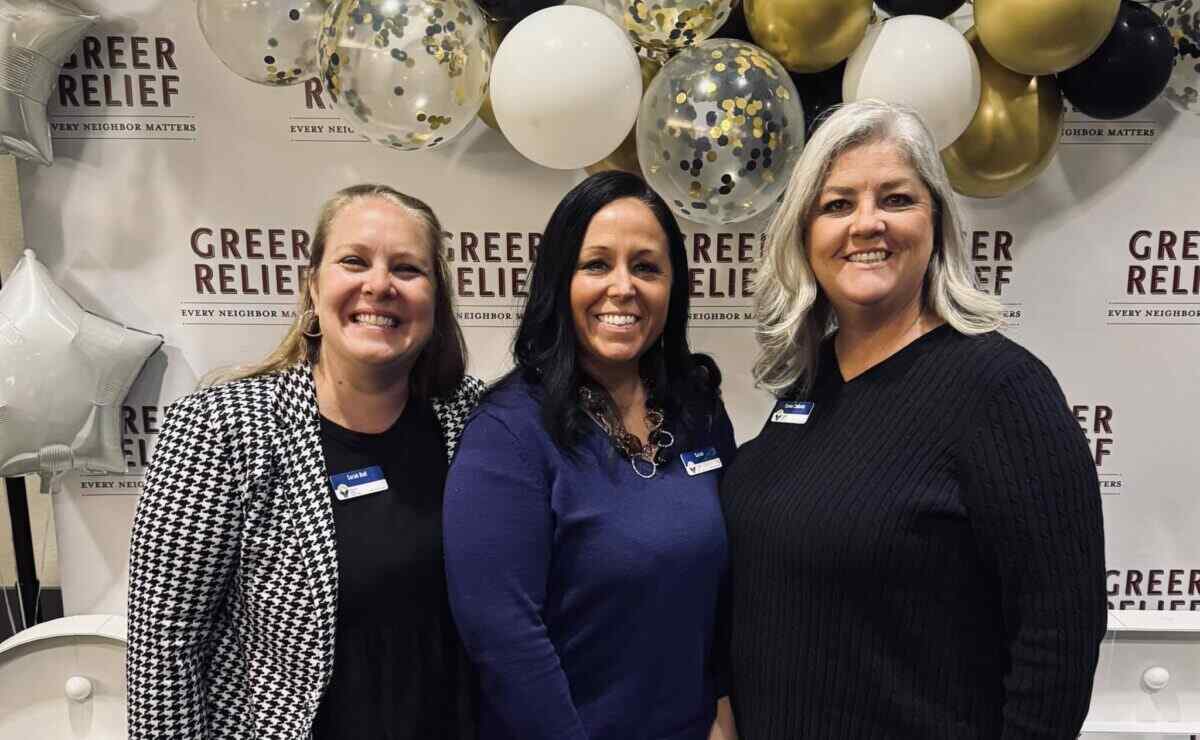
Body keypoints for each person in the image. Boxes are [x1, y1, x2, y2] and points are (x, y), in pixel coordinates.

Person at [720, 100, 1107, 739]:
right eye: (837, 205)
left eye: (895, 199)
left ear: (936, 223)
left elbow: (1057, 638)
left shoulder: (1002, 389)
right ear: (804, 235)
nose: (865, 224)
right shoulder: (809, 387)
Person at [126, 184, 484, 740]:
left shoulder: (477, 421)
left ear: (436, 301)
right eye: (354, 261)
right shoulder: (222, 430)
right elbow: (164, 656)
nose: (379, 284)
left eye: (409, 269)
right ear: (313, 287)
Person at [443, 171, 737, 740]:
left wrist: (721, 704)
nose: (623, 287)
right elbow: (504, 637)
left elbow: (723, 585)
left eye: (646, 267)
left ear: (673, 287)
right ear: (560, 280)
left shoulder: (697, 411)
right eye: (596, 264)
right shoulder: (507, 432)